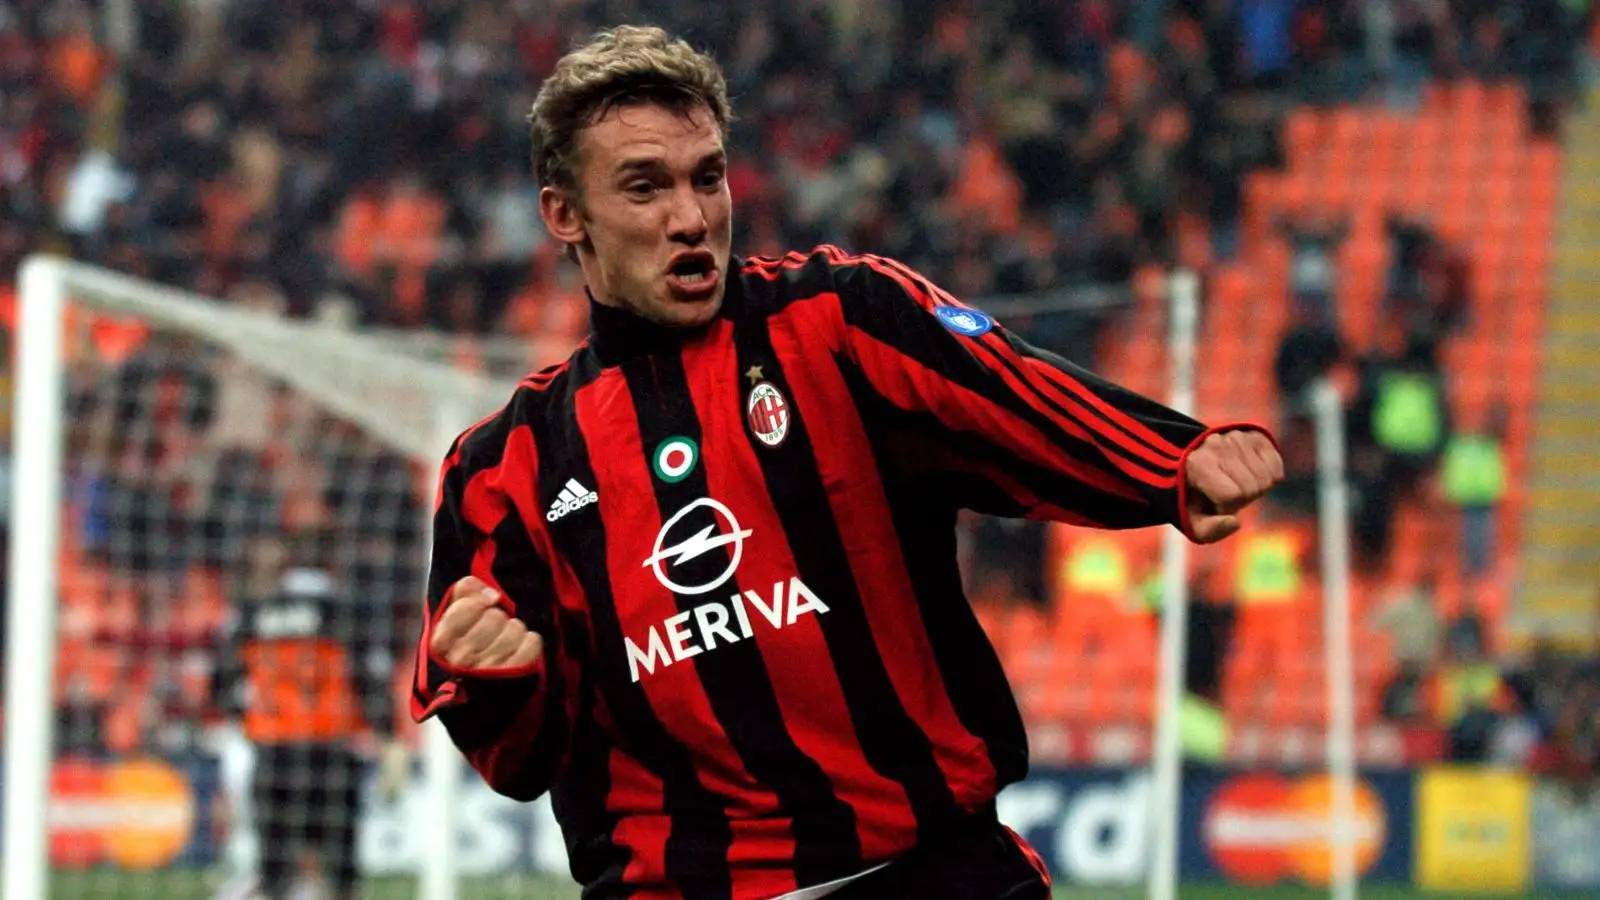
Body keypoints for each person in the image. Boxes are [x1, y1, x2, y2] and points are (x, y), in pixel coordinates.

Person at [410, 26, 1284, 900]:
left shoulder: (841, 321)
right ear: (564, 214)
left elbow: (1020, 399)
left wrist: (1173, 459)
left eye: (707, 178)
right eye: (645, 186)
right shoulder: (503, 467)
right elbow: (517, 759)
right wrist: (487, 682)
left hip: (930, 875)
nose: (690, 217)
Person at [211, 531, 407, 900]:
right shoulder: (347, 611)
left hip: (273, 751)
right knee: (341, 872)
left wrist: (246, 717)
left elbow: (220, 685)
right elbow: (371, 680)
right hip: (332, 752)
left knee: (275, 871)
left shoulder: (251, 613)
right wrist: (387, 737)